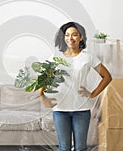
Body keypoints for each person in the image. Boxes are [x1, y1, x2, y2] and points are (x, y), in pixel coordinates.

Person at [39, 21, 112, 151]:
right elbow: (43, 79)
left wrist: (93, 93)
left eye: (74, 35)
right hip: (60, 109)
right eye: (67, 35)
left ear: (81, 37)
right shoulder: (56, 58)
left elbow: (107, 77)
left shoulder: (88, 57)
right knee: (64, 147)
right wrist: (41, 96)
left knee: (80, 148)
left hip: (81, 109)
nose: (70, 38)